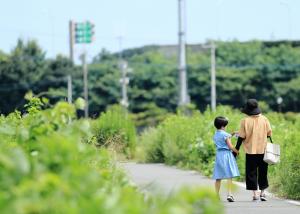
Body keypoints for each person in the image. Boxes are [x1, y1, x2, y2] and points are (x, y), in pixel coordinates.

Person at [233, 99, 272, 201]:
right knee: (263, 171)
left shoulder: (244, 121)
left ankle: (255, 194)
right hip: (263, 150)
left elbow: (241, 137)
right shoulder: (265, 119)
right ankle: (263, 193)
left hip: (250, 151)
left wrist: (236, 149)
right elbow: (269, 133)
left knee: (251, 172)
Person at [212, 116, 240, 202]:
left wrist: (231, 134)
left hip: (219, 155)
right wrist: (237, 151)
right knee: (229, 175)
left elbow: (224, 138)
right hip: (226, 155)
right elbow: (230, 146)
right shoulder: (225, 135)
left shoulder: (216, 134)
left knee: (218, 177)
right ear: (224, 126)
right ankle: (229, 194)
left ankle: (216, 195)